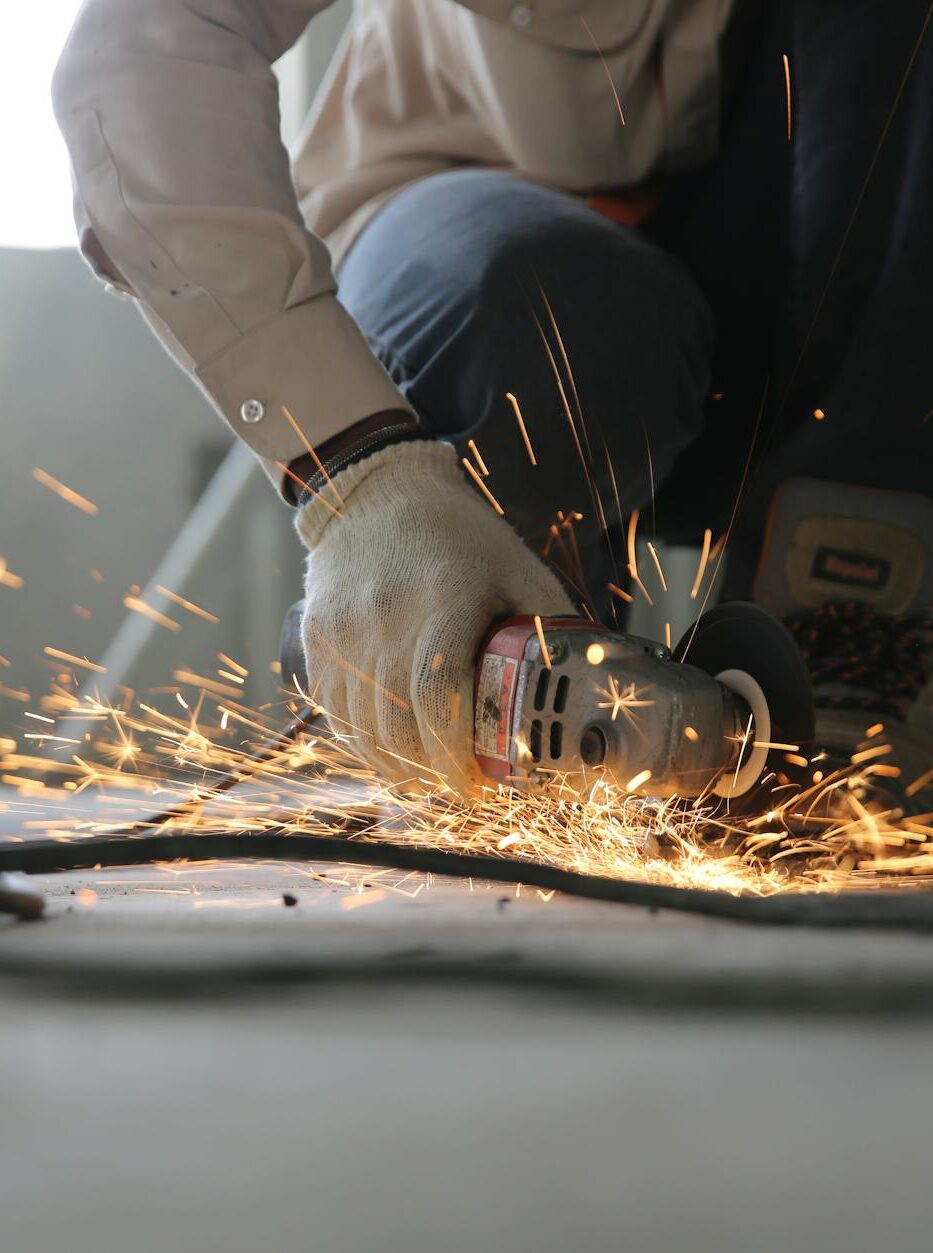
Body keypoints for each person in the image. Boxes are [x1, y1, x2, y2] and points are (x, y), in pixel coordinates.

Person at [53, 0, 933, 794]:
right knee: (550, 311)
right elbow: (142, 47)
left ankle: (849, 607)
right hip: (491, 247)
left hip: (835, 321)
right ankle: (487, 666)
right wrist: (359, 478)